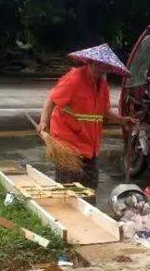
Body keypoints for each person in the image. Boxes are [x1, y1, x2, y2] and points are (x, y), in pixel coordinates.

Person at [37, 44, 134, 190]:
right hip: (68, 144)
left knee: (89, 190)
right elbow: (52, 100)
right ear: (90, 62)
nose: (102, 69)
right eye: (99, 64)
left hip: (89, 146)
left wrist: (121, 120)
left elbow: (104, 111)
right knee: (68, 189)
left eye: (106, 66)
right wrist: (44, 122)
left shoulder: (102, 84)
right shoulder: (74, 79)